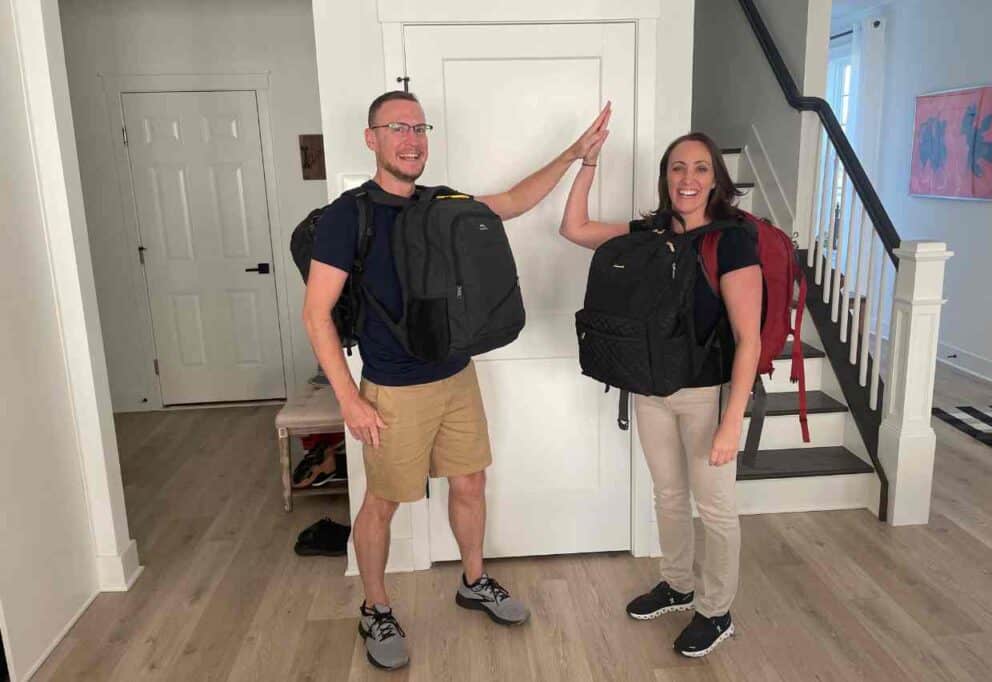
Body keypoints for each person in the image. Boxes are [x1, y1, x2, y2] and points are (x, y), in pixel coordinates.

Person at [302, 91, 610, 671]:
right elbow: (316, 313)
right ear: (372, 139)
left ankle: (474, 580)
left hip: (455, 375)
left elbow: (515, 201)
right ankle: (375, 608)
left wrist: (575, 153)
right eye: (397, 127)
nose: (411, 138)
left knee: (470, 484)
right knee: (384, 503)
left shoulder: (443, 204)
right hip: (392, 389)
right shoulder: (350, 216)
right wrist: (349, 399)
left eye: (420, 127)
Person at [559, 127, 762, 657]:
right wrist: (587, 164)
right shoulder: (651, 230)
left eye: (699, 168)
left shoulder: (732, 239)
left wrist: (731, 420)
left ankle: (716, 613)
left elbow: (749, 338)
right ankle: (678, 584)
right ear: (665, 177)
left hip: (706, 394)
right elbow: (574, 228)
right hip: (650, 388)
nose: (687, 178)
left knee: (714, 508)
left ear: (715, 178)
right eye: (677, 168)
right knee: (668, 495)